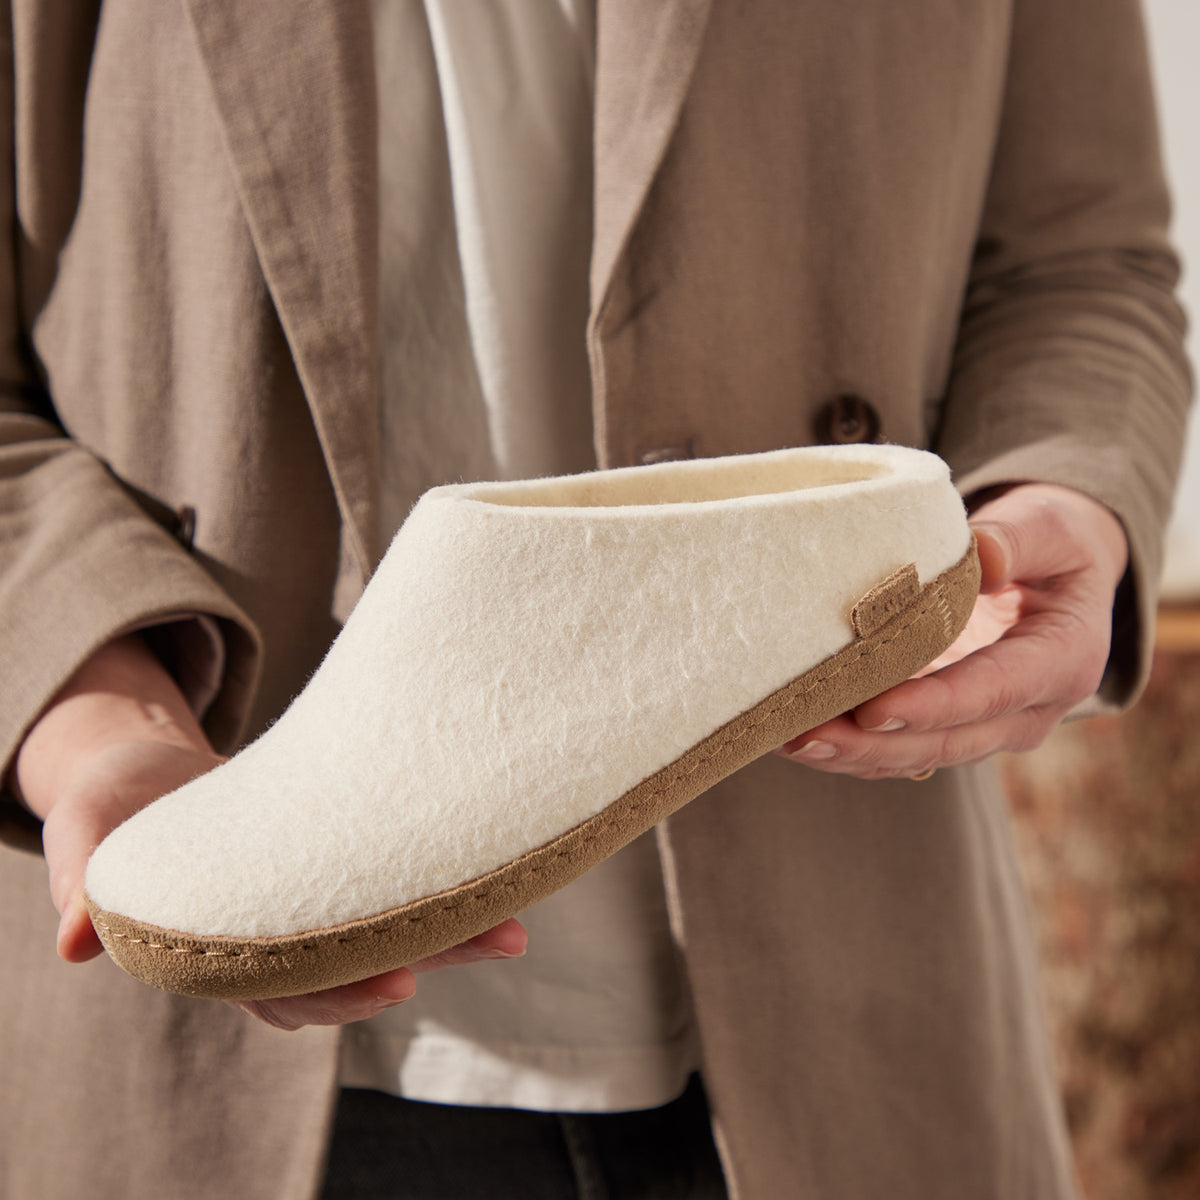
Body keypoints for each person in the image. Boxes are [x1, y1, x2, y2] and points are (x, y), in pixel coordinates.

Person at [0, 2, 1190, 1198]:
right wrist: (107, 717)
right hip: (227, 1037)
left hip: (848, 965)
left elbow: (1080, 261)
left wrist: (1057, 499)